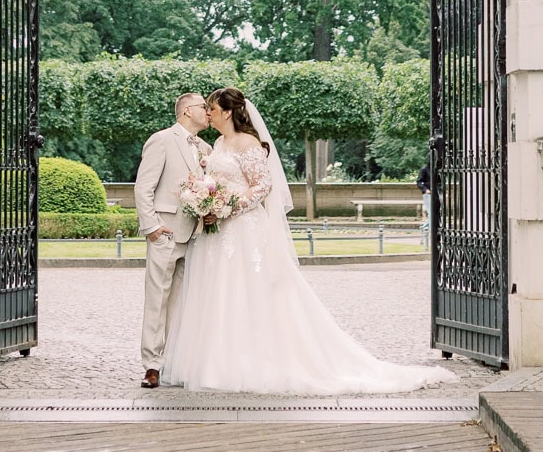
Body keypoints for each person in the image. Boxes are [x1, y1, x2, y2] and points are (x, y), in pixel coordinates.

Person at [161, 86, 447, 394]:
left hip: (244, 230)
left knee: (247, 293)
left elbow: (262, 187)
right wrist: (208, 201)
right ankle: (214, 365)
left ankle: (251, 363)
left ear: (227, 112)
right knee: (217, 294)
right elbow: (218, 182)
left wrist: (226, 207)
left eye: (213, 109)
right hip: (217, 235)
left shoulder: (249, 143)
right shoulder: (217, 142)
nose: (208, 113)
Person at [133, 91, 211, 389]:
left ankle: (175, 362)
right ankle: (152, 365)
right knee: (158, 301)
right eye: (204, 107)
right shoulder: (162, 139)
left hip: (196, 236)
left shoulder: (205, 148)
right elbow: (144, 187)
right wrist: (152, 226)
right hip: (165, 233)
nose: (208, 112)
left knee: (183, 302)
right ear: (187, 111)